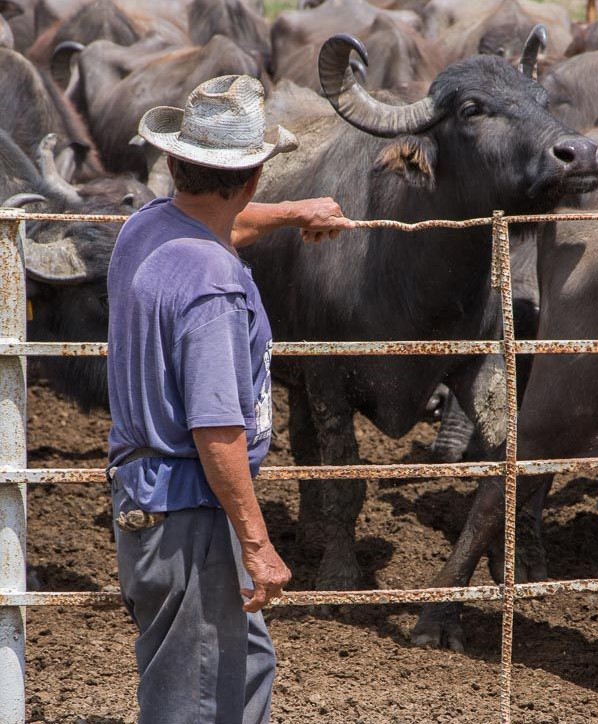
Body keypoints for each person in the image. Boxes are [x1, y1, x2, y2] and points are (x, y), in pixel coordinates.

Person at [106, 75, 353, 724]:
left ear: (172, 161)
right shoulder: (215, 285)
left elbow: (222, 225)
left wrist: (292, 213)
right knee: (196, 698)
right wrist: (256, 542)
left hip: (151, 498)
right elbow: (216, 427)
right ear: (253, 177)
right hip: (193, 512)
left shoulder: (146, 229)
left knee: (238, 674)